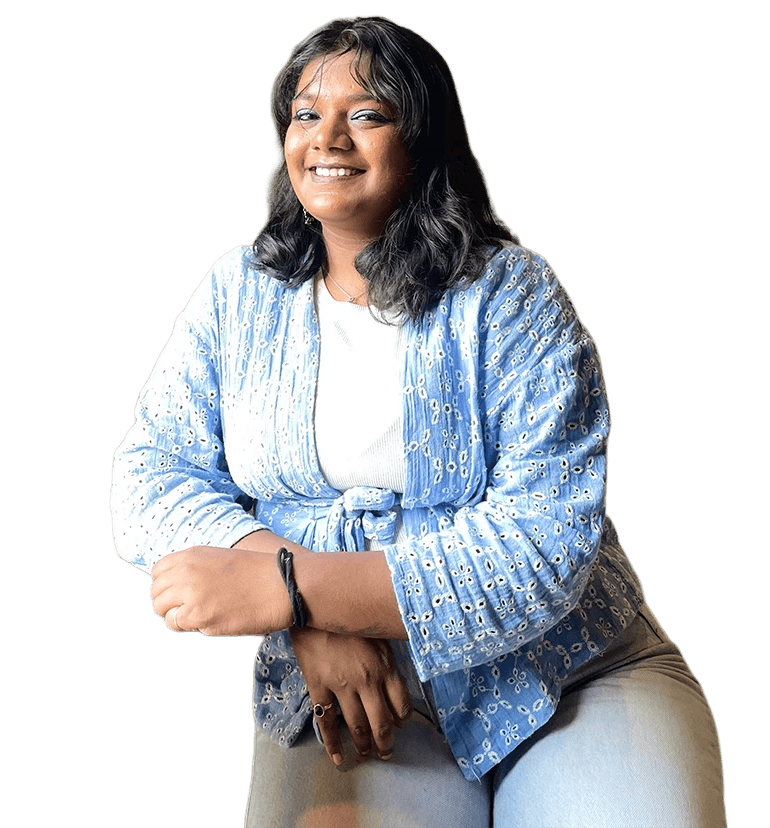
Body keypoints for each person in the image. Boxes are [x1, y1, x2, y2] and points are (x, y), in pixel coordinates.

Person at [111, 15, 727, 828]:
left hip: (568, 670)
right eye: (306, 113)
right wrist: (306, 612)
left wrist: (293, 591)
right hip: (358, 694)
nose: (327, 138)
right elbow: (150, 475)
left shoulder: (512, 293)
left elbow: (543, 547)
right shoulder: (237, 292)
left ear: (422, 139)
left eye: (366, 113)